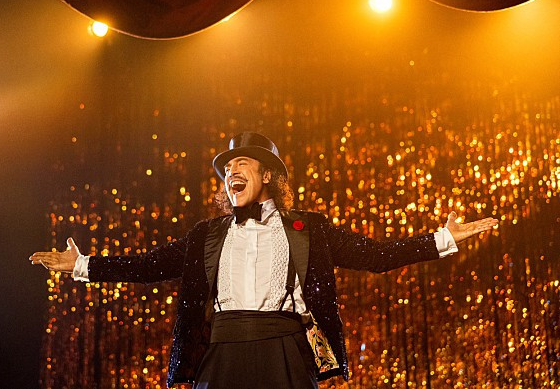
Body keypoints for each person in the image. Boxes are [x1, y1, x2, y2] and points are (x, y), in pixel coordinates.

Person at [30, 132, 498, 389]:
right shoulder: (208, 234)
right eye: (226, 169)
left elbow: (375, 256)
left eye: (242, 165)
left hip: (285, 350)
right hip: (221, 350)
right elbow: (149, 265)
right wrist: (83, 265)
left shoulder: (310, 228)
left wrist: (441, 238)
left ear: (268, 175)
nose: (230, 172)